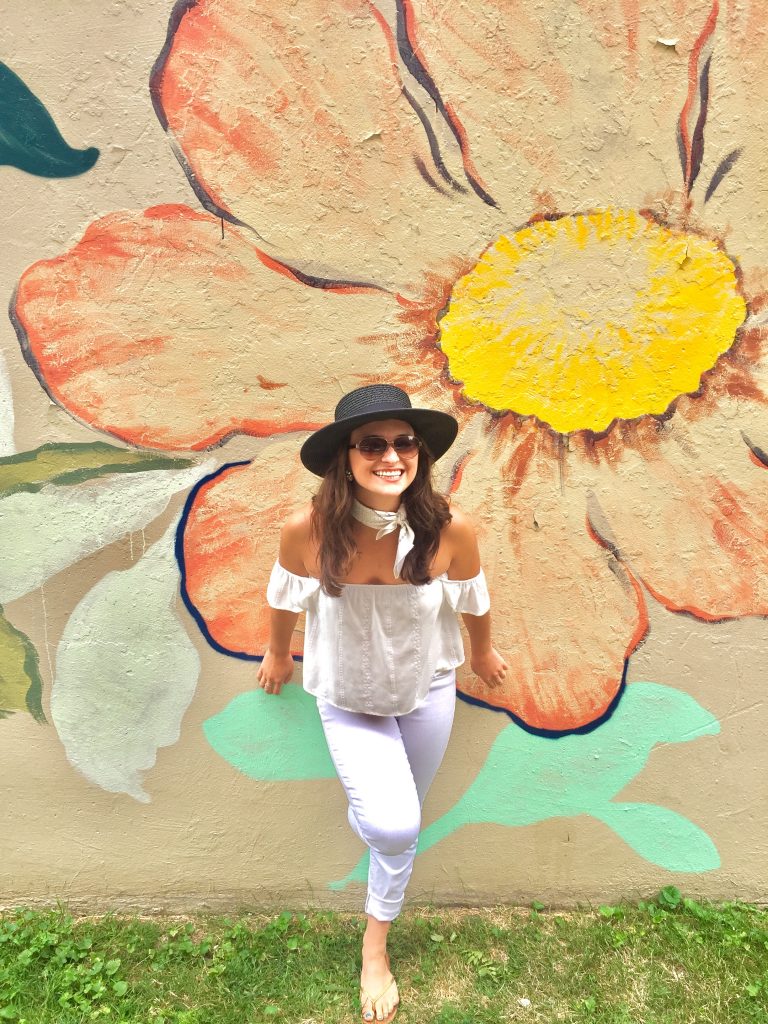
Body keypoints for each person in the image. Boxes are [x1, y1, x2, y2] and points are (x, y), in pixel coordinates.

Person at [256, 384, 507, 1023]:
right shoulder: (305, 533)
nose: (390, 455)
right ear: (346, 457)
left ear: (419, 454)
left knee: (398, 824)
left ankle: (377, 921)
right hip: (346, 696)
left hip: (427, 692)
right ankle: (375, 946)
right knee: (394, 827)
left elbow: (474, 603)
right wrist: (279, 654)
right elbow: (285, 601)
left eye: (404, 442)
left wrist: (482, 655)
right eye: (372, 443)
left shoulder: (451, 532)